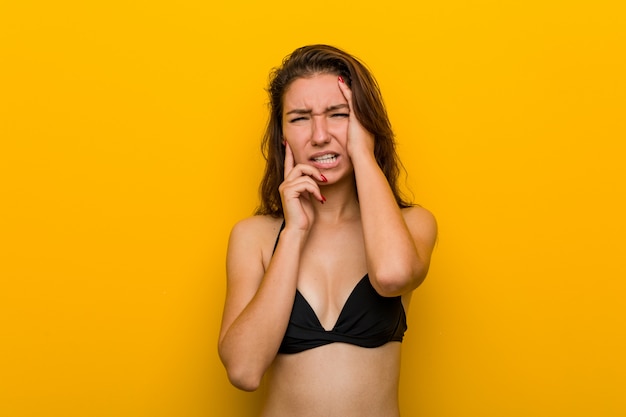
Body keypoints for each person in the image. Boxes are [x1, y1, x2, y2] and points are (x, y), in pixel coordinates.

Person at [218, 44, 438, 417]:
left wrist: (364, 154)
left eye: (338, 114)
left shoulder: (412, 225)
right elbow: (244, 370)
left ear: (366, 124)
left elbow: (392, 275)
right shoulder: (254, 237)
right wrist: (293, 234)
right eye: (300, 118)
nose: (319, 135)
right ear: (283, 134)